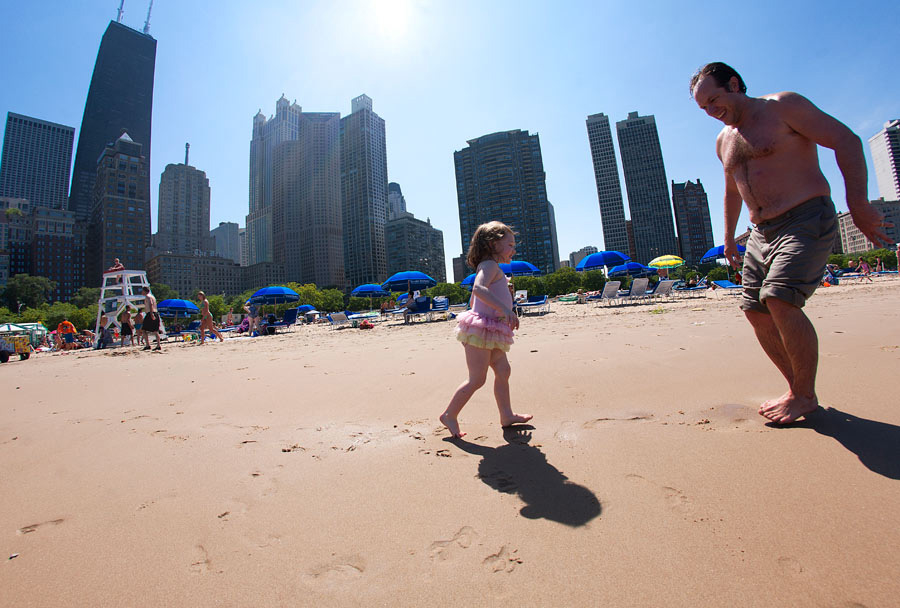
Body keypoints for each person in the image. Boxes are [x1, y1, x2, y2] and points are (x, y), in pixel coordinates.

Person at [691, 62, 894, 424]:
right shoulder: (724, 140)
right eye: (702, 107)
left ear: (735, 84)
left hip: (804, 217)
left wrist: (859, 205)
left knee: (779, 298)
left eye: (713, 99)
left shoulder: (783, 106)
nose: (710, 111)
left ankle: (803, 395)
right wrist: (727, 238)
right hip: (759, 232)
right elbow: (731, 190)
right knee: (754, 310)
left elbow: (846, 140)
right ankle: (796, 388)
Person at [440, 221, 532, 438]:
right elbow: (478, 289)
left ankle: (506, 415)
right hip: (480, 331)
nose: (513, 249)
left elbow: (475, 299)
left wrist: (502, 302)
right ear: (493, 244)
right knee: (477, 379)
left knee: (503, 370)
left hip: (491, 329)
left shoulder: (493, 268)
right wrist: (505, 310)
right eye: (509, 244)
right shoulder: (489, 265)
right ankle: (449, 415)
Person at [141, 286, 162, 351]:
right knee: (156, 330)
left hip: (150, 313)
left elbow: (151, 304)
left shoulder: (148, 296)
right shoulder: (152, 296)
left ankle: (148, 345)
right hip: (155, 313)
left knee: (144, 329)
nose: (142, 292)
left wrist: (151, 314)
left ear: (144, 291)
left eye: (142, 291)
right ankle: (158, 345)